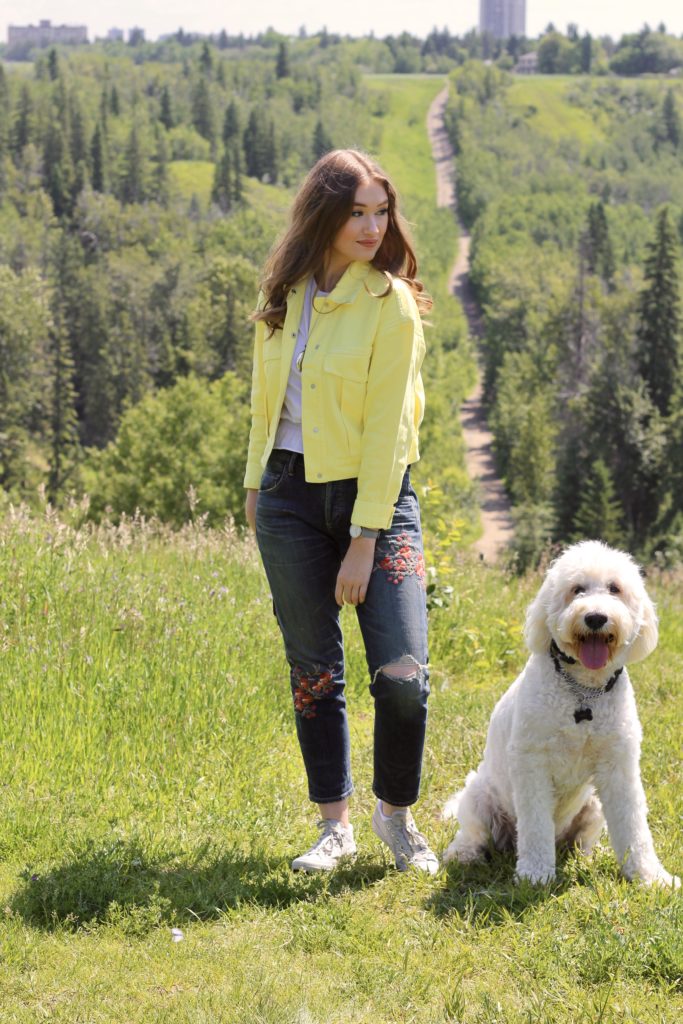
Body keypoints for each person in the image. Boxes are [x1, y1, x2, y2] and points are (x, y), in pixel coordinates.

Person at [243, 149, 437, 874]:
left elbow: (392, 429)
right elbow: (264, 400)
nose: (370, 225)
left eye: (379, 211)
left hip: (377, 501)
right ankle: (335, 827)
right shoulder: (284, 293)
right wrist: (254, 482)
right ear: (323, 214)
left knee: (403, 676)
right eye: (356, 211)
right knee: (314, 672)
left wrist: (364, 537)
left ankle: (396, 816)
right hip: (287, 497)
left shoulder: (390, 305)